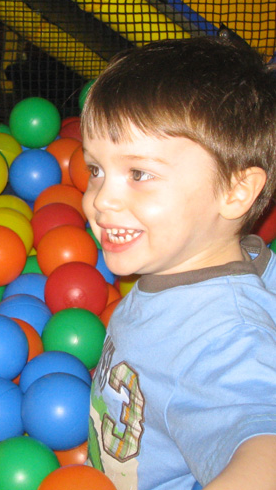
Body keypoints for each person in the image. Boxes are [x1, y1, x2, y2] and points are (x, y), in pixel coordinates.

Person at [81, 36, 276, 489]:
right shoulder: (213, 264)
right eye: (96, 170)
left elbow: (264, 450)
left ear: (235, 192)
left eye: (139, 173)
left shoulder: (220, 339)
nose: (102, 199)